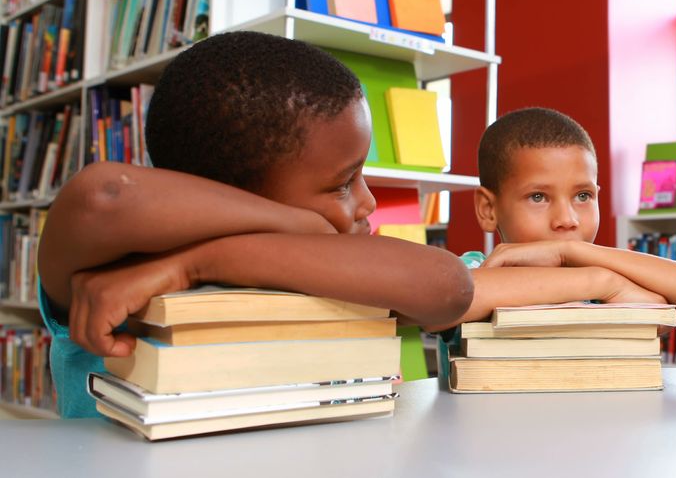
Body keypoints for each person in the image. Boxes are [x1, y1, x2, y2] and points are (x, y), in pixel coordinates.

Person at [38, 32, 474, 418]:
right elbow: (103, 196)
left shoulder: (330, 269)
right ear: (233, 195)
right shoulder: (104, 273)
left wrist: (199, 263)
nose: (369, 202)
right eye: (343, 183)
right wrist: (297, 223)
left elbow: (449, 286)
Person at [427, 107, 676, 334]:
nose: (567, 219)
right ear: (488, 209)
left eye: (583, 196)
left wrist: (577, 256)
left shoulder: (612, 273)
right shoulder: (476, 270)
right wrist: (604, 283)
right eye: (538, 197)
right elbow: (444, 303)